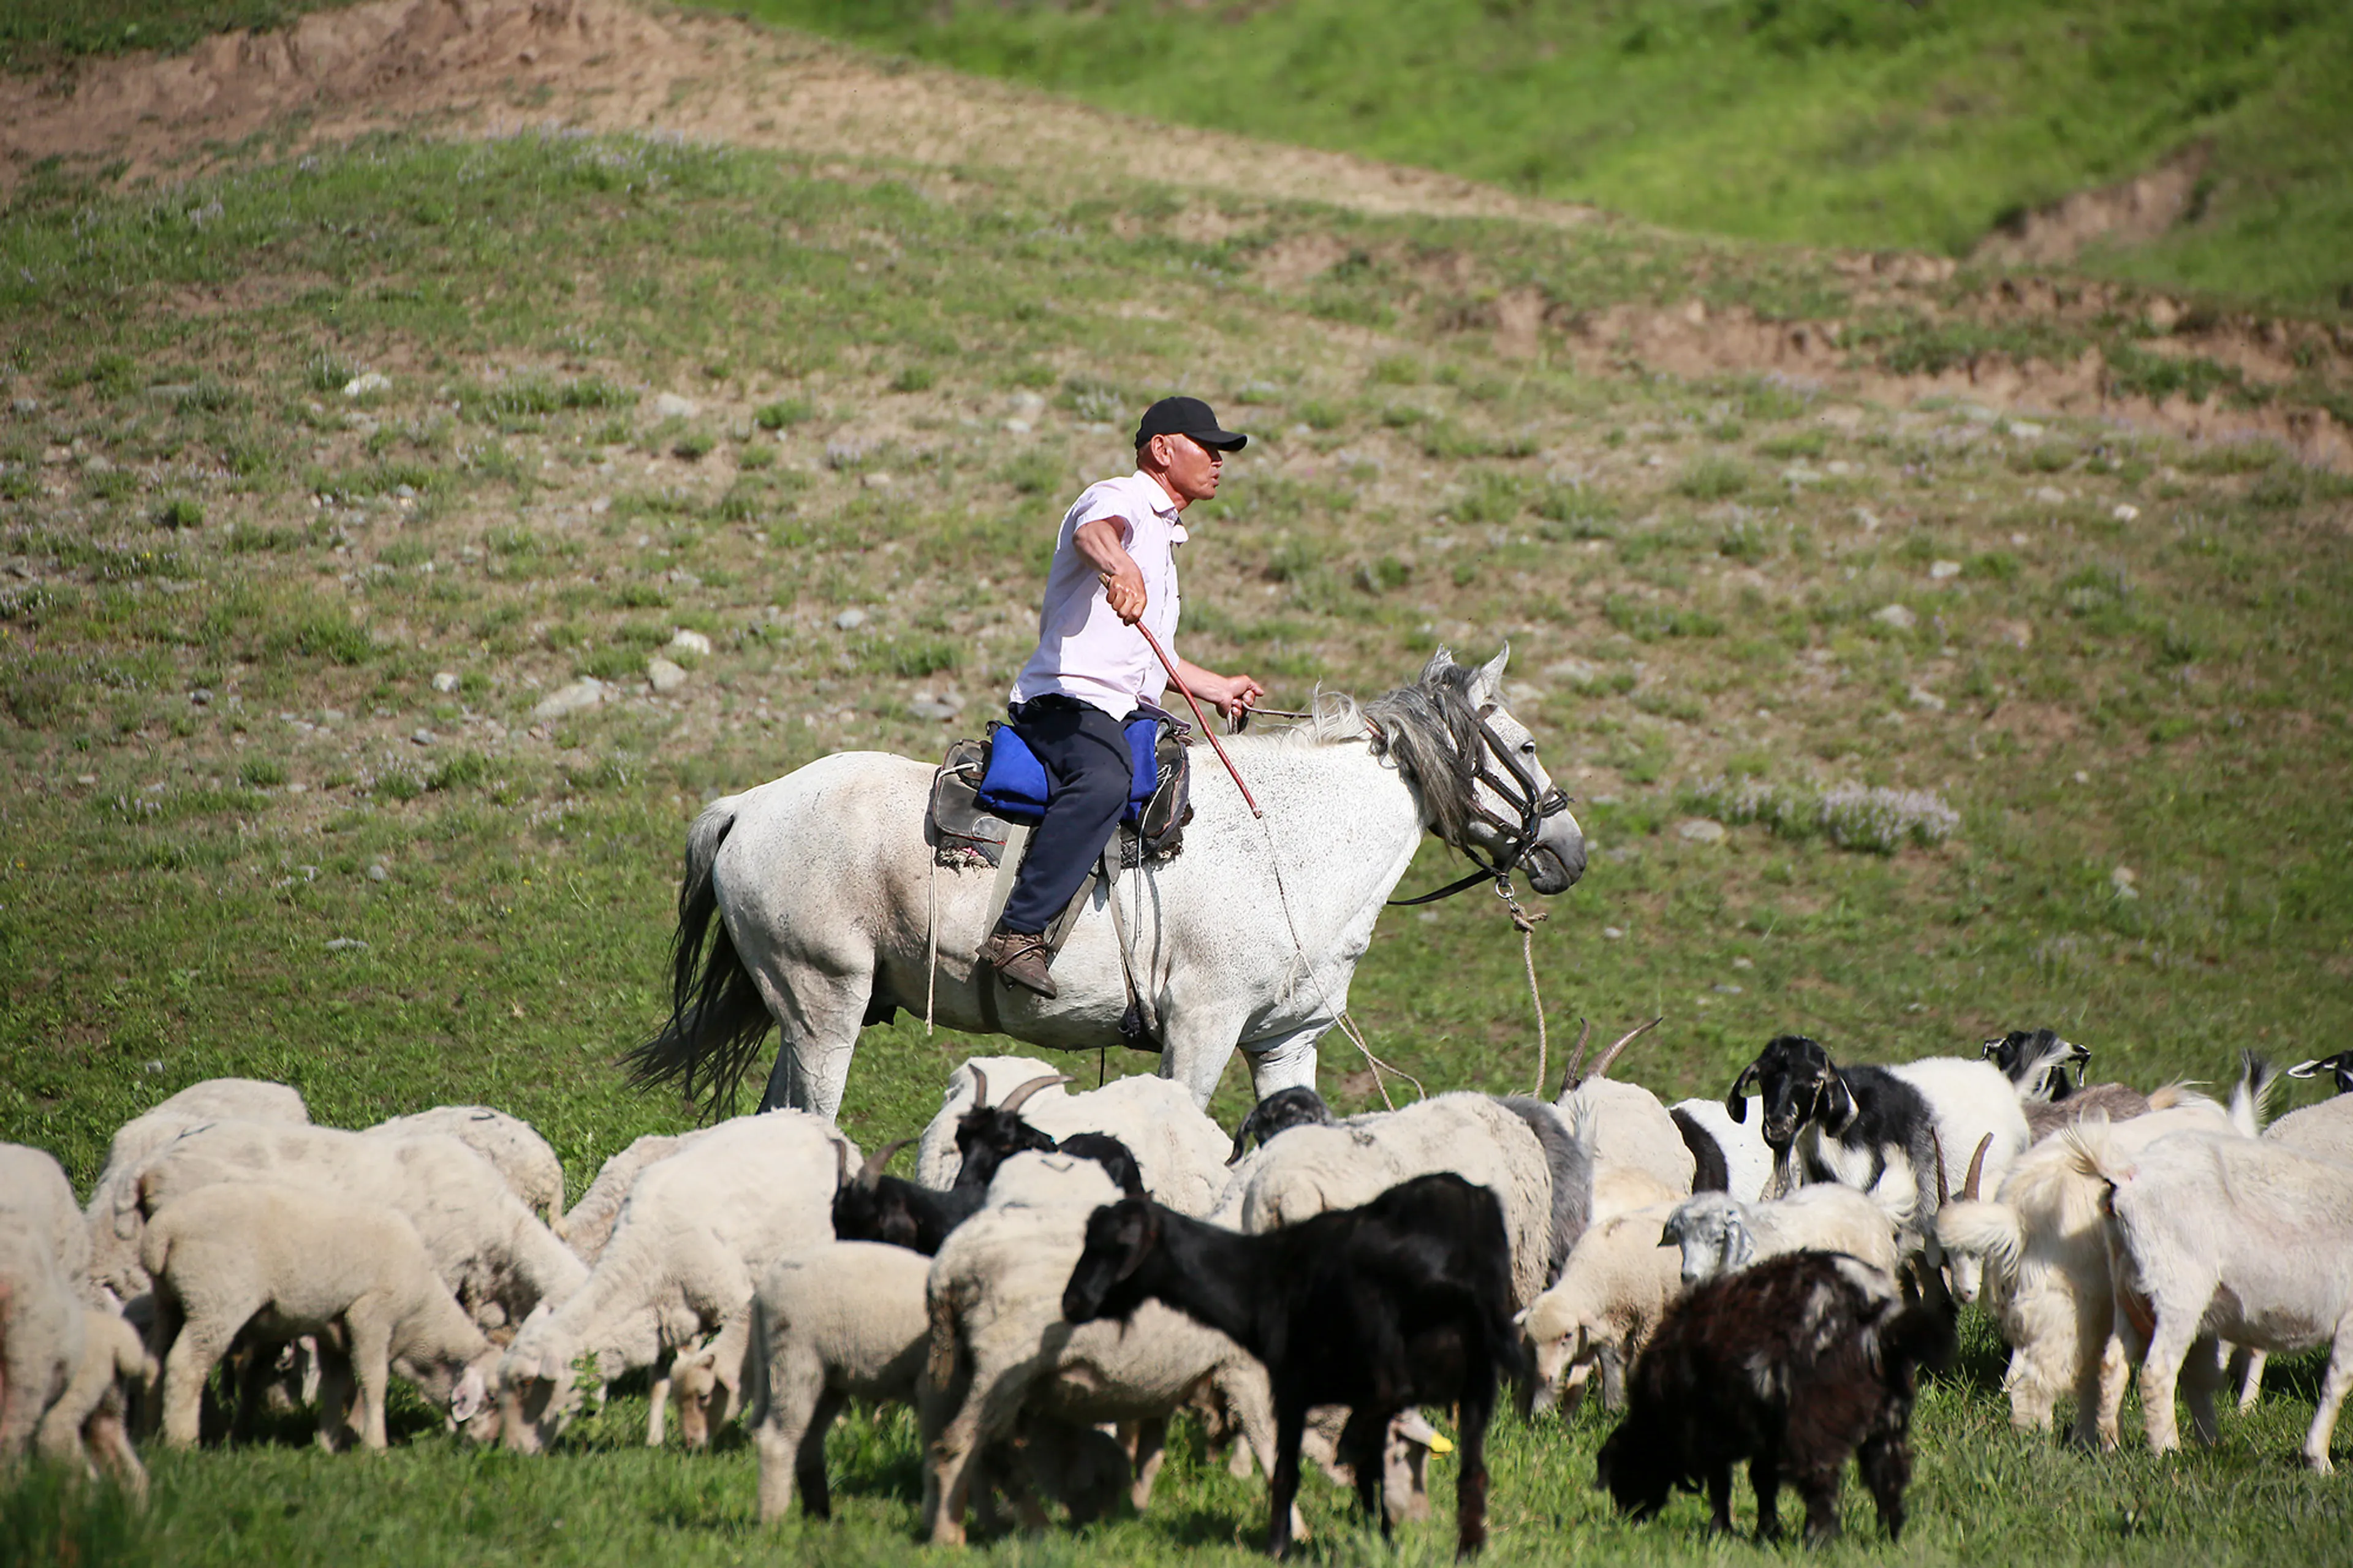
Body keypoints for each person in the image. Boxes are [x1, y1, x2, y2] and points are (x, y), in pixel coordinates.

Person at [979, 396, 1266, 998]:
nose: (1219, 461)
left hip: (1117, 706)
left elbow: (1151, 657)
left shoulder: (1163, 535)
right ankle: (1018, 933)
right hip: (1064, 701)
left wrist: (1217, 687)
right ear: (1163, 450)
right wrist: (1122, 570)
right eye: (1207, 448)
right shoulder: (1121, 497)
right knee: (1105, 781)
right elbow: (1094, 533)